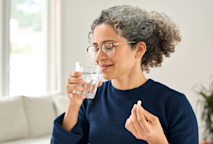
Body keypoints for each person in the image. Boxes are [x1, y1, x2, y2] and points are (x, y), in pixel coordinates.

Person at [51, 5, 198, 144]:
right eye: (96, 48)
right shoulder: (92, 98)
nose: (98, 57)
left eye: (109, 46)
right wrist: (74, 105)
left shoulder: (174, 104)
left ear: (139, 49)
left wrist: (156, 140)